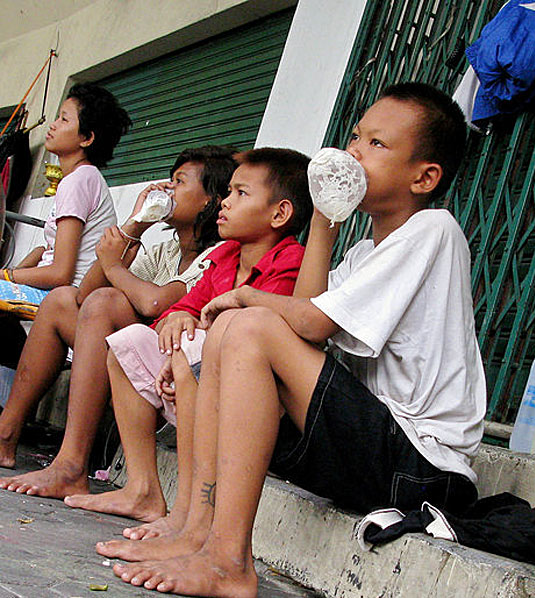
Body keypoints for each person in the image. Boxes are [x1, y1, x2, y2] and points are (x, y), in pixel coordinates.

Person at [101, 82, 486, 598]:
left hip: (423, 469)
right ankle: (196, 531)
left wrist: (245, 297)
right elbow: (306, 315)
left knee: (247, 324)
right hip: (369, 451)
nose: (354, 152)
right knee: (229, 332)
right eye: (355, 137)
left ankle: (228, 562)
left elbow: (310, 323)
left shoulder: (433, 230)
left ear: (424, 177)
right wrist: (324, 220)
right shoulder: (363, 253)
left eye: (376, 144)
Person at [63, 148, 312, 534]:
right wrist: (179, 316)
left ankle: (188, 511)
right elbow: (180, 310)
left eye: (240, 194)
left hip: (252, 404)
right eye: (228, 192)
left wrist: (189, 331)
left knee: (193, 350)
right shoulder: (224, 257)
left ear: (279, 214)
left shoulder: (291, 262)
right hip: (196, 383)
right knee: (128, 341)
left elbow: (250, 332)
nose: (225, 202)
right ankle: (142, 489)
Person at [0, 146, 237, 499]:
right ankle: (6, 432)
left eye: (179, 182)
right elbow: (83, 295)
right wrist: (134, 226)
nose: (166, 190)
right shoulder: (165, 250)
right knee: (61, 300)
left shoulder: (217, 253)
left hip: (166, 367)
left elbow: (155, 302)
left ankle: (72, 464)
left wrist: (113, 265)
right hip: (124, 354)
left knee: (106, 303)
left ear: (210, 201)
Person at [0, 83, 131, 366]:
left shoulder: (77, 181)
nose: (53, 125)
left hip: (61, 308)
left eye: (64, 119)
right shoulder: (85, 178)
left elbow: (60, 272)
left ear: (87, 138)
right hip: (58, 300)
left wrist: (7, 276)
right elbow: (50, 252)